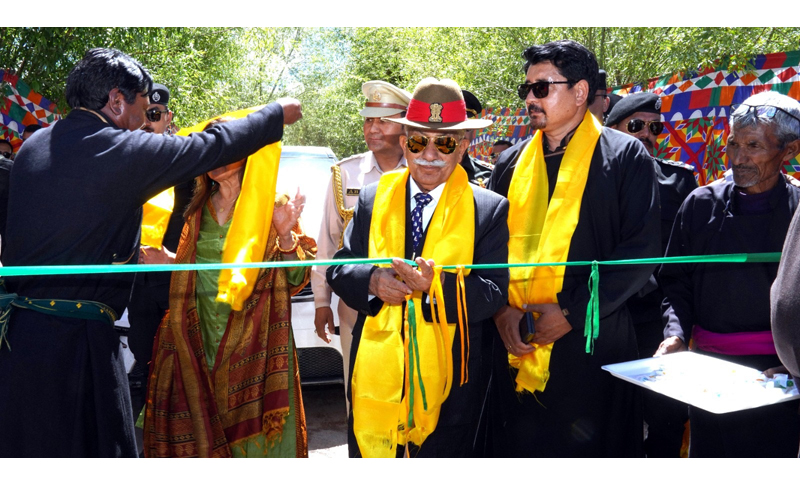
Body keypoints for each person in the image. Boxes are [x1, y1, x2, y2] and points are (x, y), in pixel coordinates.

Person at [0, 47, 301, 458]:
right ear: (116, 101)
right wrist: (276, 114)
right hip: (77, 348)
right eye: (143, 109)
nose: (145, 122)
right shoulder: (116, 150)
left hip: (18, 341)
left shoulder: (34, 145)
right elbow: (209, 147)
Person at [486, 39, 660, 457]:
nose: (530, 99)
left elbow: (641, 252)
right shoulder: (510, 163)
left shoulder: (625, 157)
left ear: (580, 91)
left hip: (592, 340)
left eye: (541, 88)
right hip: (516, 338)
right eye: (526, 89)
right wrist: (501, 310)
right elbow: (489, 248)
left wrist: (570, 312)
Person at [327, 77, 509, 458]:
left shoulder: (488, 209)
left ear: (463, 146)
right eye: (418, 142)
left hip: (450, 390)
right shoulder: (373, 199)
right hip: (375, 379)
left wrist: (434, 288)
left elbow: (494, 292)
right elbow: (340, 267)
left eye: (444, 144)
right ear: (404, 140)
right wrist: (373, 281)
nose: (429, 155)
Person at [143, 117, 315, 457]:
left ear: (247, 152)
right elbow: (196, 268)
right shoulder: (197, 208)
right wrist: (170, 260)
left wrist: (284, 235)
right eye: (212, 148)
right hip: (200, 335)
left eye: (227, 147)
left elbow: (298, 277)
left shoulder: (273, 204)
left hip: (257, 341)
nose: (217, 157)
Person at [657, 91, 800, 458]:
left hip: (781, 376)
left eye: (753, 146)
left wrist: (795, 365)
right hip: (709, 371)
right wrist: (675, 335)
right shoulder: (700, 203)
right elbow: (676, 282)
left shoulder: (797, 209)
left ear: (790, 150)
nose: (738, 157)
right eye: (734, 143)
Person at [605, 92, 697, 457]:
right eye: (636, 126)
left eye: (655, 128)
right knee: (608, 422)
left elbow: (687, 263)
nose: (647, 134)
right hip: (602, 317)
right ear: (611, 129)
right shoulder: (588, 181)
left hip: (657, 320)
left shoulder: (679, 181)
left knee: (665, 420)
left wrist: (680, 327)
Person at [311, 80, 410, 411]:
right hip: (356, 305)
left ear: (405, 126)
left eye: (384, 121)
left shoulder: (425, 170)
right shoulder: (346, 174)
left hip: (412, 303)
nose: (373, 129)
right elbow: (328, 241)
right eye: (369, 120)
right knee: (360, 396)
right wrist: (322, 302)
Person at [125, 82, 194, 453]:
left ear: (168, 117)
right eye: (142, 115)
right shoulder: (127, 158)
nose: (147, 123)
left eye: (154, 115)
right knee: (144, 353)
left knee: (183, 358)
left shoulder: (186, 160)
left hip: (178, 279)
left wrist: (176, 259)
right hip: (137, 281)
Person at [460, 89, 494, 186]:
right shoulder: (426, 171)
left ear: (474, 133)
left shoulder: (488, 176)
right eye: (452, 130)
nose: (460, 136)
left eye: (466, 129)